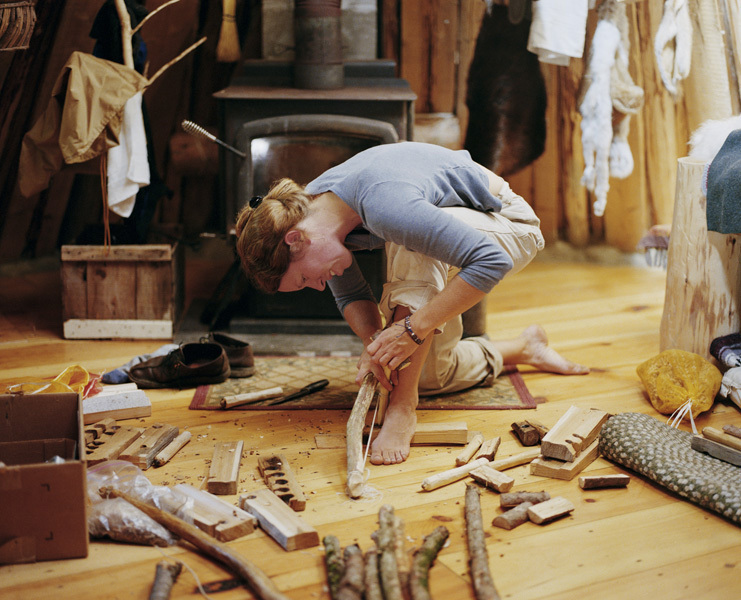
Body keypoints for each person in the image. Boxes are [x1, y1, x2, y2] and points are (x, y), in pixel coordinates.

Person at [235, 141, 588, 465]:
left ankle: (403, 408)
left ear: (295, 240)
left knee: (413, 250)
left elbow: (491, 261)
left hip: (509, 223)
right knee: (428, 376)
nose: (316, 286)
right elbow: (350, 293)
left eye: (303, 279)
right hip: (458, 226)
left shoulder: (383, 204)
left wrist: (411, 330)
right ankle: (523, 348)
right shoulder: (310, 211)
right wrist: (378, 348)